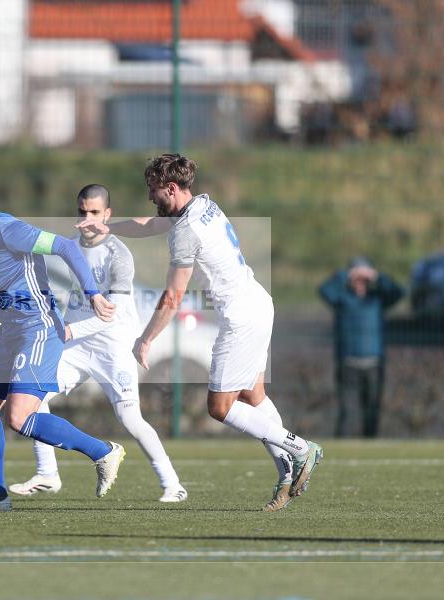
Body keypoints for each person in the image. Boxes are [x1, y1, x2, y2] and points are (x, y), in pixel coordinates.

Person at [77, 154, 322, 512]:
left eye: (154, 190)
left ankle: (300, 448)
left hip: (240, 317)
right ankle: (287, 472)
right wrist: (109, 228)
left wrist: (145, 339)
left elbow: (173, 295)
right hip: (258, 302)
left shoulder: (185, 232)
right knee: (254, 395)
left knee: (220, 407)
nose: (150, 197)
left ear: (171, 189)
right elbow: (150, 225)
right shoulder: (203, 205)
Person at [0, 174, 126, 512]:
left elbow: (66, 247)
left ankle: (104, 452)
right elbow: (3, 281)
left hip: (37, 330)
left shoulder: (8, 229)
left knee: (20, 417)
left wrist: (94, 294)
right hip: (9, 332)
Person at [9, 184, 188, 503]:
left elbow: (111, 316)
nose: (87, 219)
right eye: (82, 212)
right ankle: (48, 474)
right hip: (77, 347)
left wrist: (68, 331)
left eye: (94, 212)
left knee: (131, 419)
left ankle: (172, 484)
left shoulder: (119, 255)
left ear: (107, 214)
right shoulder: (71, 246)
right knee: (33, 398)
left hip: (112, 346)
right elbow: (75, 295)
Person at [318, 257, 404, 438]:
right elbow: (324, 290)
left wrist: (377, 277)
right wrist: (345, 274)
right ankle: (340, 451)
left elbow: (399, 292)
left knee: (372, 412)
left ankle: (371, 447)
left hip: (374, 364)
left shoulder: (377, 299)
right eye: (357, 278)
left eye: (364, 279)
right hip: (348, 363)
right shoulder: (341, 298)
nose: (360, 283)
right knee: (348, 413)